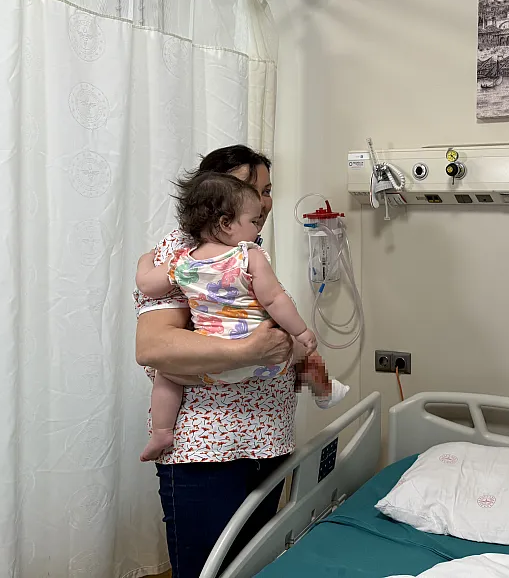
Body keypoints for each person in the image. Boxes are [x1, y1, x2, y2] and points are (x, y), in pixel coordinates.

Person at [133, 145, 341, 576]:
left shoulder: (245, 248)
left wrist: (297, 358)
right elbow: (153, 347)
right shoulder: (183, 254)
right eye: (253, 190)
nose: (264, 203)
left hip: (267, 439)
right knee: (207, 569)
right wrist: (249, 352)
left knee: (250, 567)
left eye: (268, 191)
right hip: (210, 449)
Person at [135, 171, 349, 462]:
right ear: (226, 224)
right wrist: (301, 332)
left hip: (213, 367)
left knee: (166, 376)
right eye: (253, 221)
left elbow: (147, 285)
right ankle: (323, 388)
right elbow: (275, 299)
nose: (258, 227)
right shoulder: (249, 255)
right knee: (301, 349)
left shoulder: (182, 262)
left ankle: (162, 431)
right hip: (266, 364)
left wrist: (145, 261)